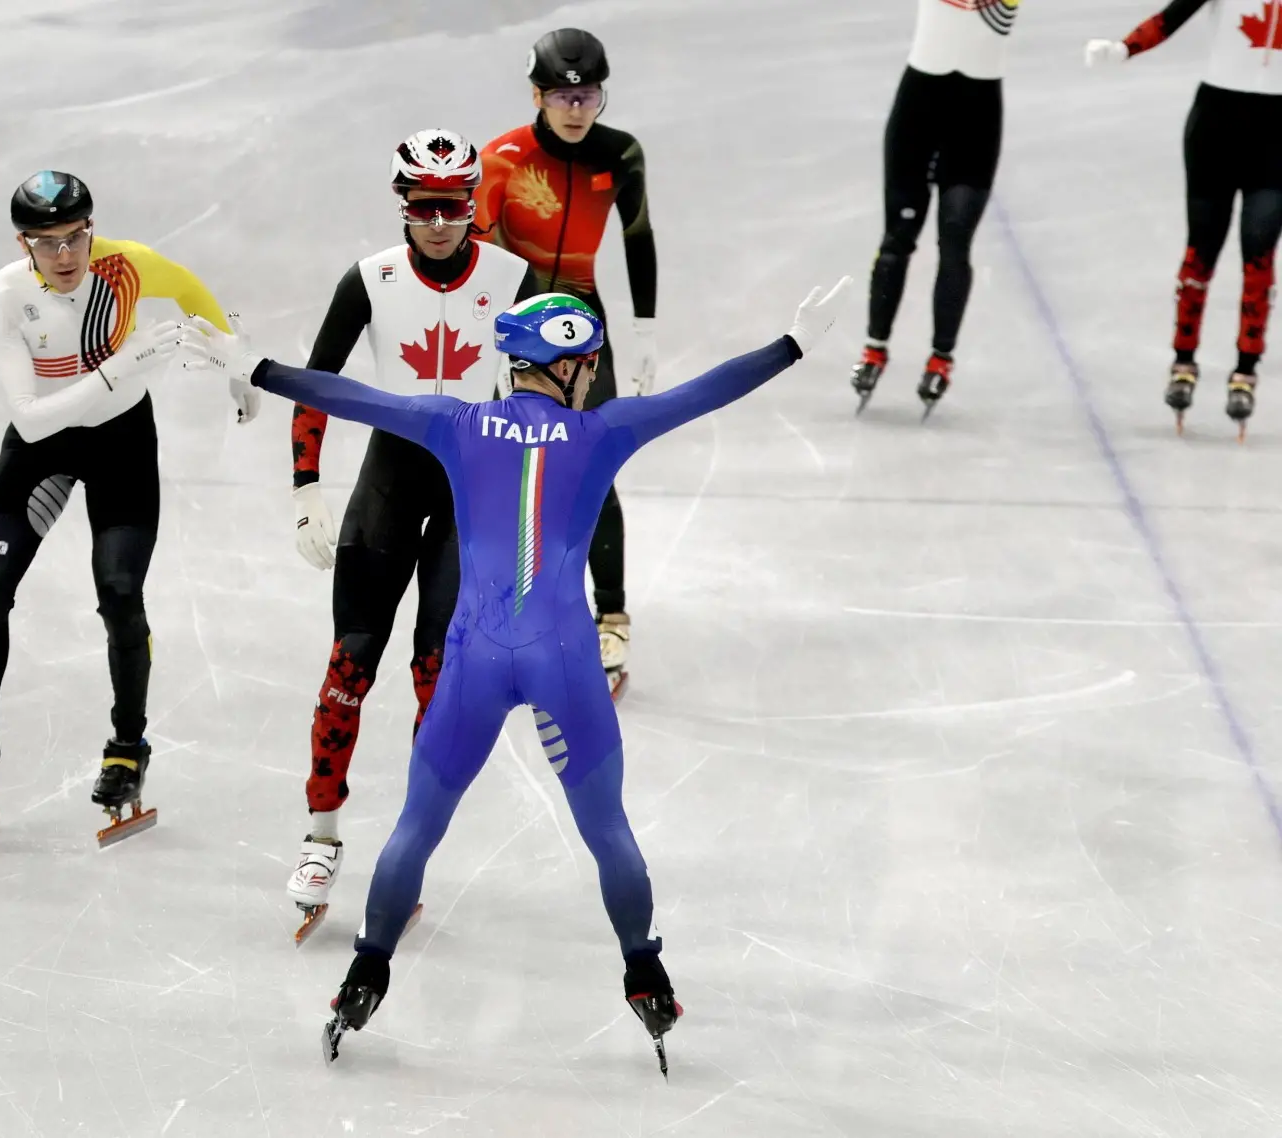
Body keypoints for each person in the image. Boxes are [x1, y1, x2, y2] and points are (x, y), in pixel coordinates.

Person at [188, 276, 850, 1071]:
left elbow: (350, 395)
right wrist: (794, 344)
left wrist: (255, 365)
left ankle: (366, 971)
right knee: (608, 832)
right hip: (565, 661)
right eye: (591, 365)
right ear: (567, 366)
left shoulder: (454, 421)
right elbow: (706, 392)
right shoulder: (605, 432)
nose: (595, 379)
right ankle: (645, 973)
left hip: (474, 659)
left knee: (415, 829)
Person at [0, 171, 246, 848]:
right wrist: (117, 367)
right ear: (23, 245)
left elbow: (188, 287)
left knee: (121, 592)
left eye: (76, 238)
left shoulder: (123, 266)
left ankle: (128, 746)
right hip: (43, 449)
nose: (66, 256)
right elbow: (33, 425)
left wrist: (236, 361)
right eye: (47, 244)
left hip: (122, 446)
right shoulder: (3, 300)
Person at [282, 130, 533, 936]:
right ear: (402, 207)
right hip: (389, 478)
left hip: (471, 486)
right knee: (349, 662)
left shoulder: (512, 277)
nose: (437, 224)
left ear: (473, 206)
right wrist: (306, 486)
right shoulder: (370, 279)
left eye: (452, 208)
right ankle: (321, 836)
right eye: (422, 209)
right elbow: (316, 381)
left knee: (437, 671)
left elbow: (554, 395)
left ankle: (411, 843)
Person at [475, 27, 656, 698]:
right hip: (518, 328)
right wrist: (485, 344)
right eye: (563, 95)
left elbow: (639, 238)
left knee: (590, 472)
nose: (577, 109)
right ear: (537, 95)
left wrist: (646, 331)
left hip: (583, 326)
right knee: (510, 476)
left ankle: (610, 613)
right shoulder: (500, 160)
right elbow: (479, 257)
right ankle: (515, 612)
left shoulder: (620, 153)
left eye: (589, 95)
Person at [1086, 0, 1282, 439]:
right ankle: (1183, 359)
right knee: (1203, 248)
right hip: (1217, 127)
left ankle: (1246, 369)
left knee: (1259, 246)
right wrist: (1124, 48)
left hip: (1276, 137)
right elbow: (1171, 17)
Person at [850, 0, 1021, 416]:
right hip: (919, 107)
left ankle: (941, 356)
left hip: (976, 118)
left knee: (956, 240)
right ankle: (875, 347)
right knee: (898, 237)